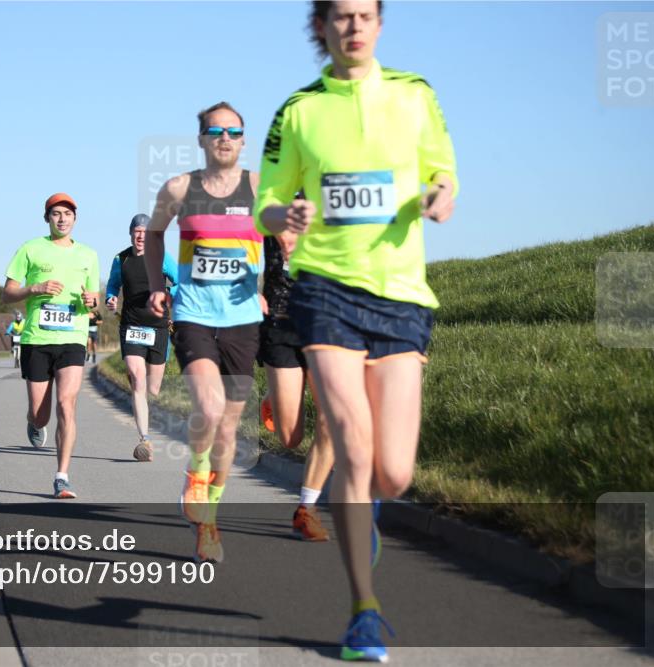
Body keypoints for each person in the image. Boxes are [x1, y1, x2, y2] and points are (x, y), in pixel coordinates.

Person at [255, 1, 458, 660]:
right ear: (321, 27)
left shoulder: (415, 94)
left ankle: (363, 509)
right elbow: (264, 203)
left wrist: (440, 195)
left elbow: (443, 170)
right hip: (325, 292)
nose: (353, 26)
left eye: (364, 14)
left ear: (378, 22)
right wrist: (287, 210)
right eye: (340, 15)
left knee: (393, 474)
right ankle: (363, 609)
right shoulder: (298, 111)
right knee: (351, 441)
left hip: (401, 296)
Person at [145, 101, 263, 563]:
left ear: (243, 139)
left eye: (234, 131)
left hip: (242, 319)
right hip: (194, 313)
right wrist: (157, 285)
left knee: (229, 428)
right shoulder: (178, 188)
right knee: (209, 409)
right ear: (201, 139)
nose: (225, 138)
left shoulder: (260, 187)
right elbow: (155, 234)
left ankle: (209, 522)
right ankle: (195, 473)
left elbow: (281, 237)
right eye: (215, 131)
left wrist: (270, 288)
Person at [3, 192, 101, 499]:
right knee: (41, 413)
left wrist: (92, 302)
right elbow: (8, 292)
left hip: (72, 337)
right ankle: (33, 422)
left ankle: (62, 477)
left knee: (66, 405)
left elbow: (95, 301)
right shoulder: (31, 249)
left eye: (68, 214)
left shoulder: (88, 255)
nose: (62, 219)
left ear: (75, 218)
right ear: (47, 218)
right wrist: (36, 287)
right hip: (38, 339)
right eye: (56, 213)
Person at [257, 222, 335, 542]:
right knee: (290, 437)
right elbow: (244, 242)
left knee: (332, 417)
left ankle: (307, 508)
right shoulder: (272, 194)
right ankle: (273, 396)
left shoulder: (336, 195)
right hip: (281, 320)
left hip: (327, 321)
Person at [105, 214, 179, 462]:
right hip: (132, 326)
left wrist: (169, 293)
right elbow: (113, 285)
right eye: (136, 231)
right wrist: (111, 298)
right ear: (130, 234)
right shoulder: (121, 259)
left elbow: (181, 282)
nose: (140, 236)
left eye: (145, 232)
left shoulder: (162, 256)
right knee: (138, 379)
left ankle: (148, 410)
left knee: (154, 389)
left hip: (158, 328)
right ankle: (144, 440)